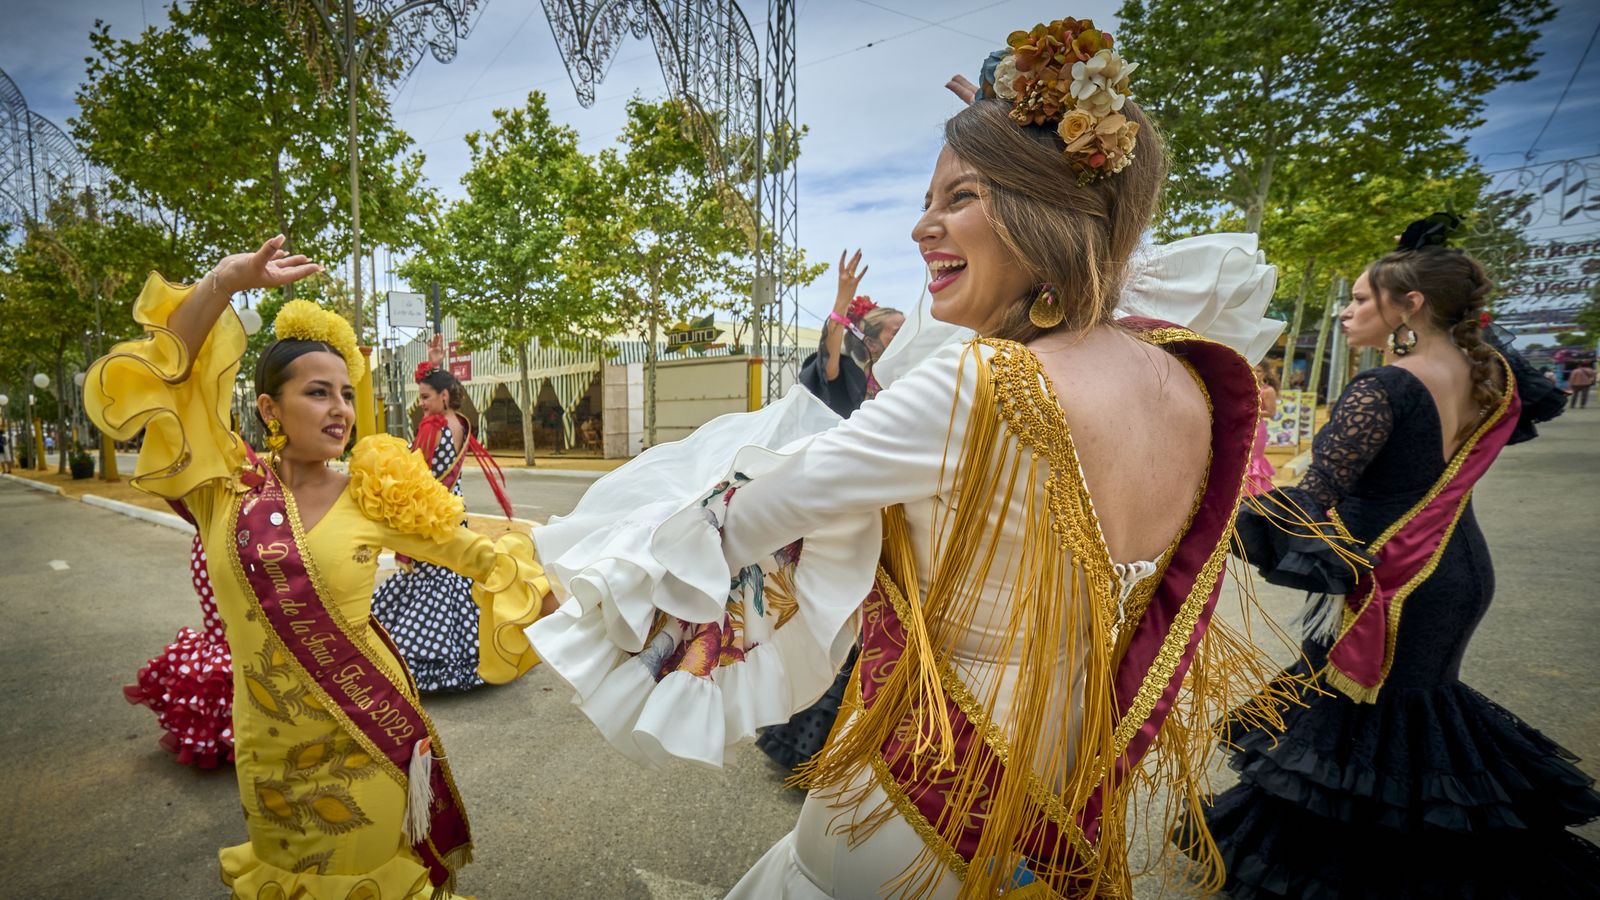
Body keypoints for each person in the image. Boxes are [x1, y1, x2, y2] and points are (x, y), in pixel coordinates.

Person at [530, 17, 1286, 897]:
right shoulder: (1193, 383)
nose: (924, 225)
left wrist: (594, 562)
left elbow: (738, 524)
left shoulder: (978, 383)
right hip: (1071, 771)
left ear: (1045, 208)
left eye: (960, 196)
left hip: (923, 776)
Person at [84, 236, 555, 898]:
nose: (339, 409)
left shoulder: (375, 490)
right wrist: (224, 280)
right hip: (267, 755)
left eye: (344, 393)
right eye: (317, 392)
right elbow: (173, 375)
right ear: (269, 409)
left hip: (365, 742)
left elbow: (477, 552)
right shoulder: (227, 486)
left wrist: (566, 595)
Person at [1196, 214, 1595, 898]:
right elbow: (1545, 398)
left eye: (1360, 298)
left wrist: (1209, 518)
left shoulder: (1383, 388)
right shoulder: (1488, 374)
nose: (1349, 311)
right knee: (1386, 712)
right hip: (1458, 571)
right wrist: (1451, 308)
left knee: (1373, 724)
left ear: (1409, 307)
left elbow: (1313, 496)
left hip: (1398, 580)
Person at [370, 335, 527, 692]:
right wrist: (435, 362)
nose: (421, 404)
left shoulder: (432, 426)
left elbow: (415, 474)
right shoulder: (462, 422)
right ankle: (473, 654)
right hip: (455, 510)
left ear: (443, 395)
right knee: (456, 581)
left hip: (430, 514)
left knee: (428, 583)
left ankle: (423, 659)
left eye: (425, 396)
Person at [123, 527, 235, 768]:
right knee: (227, 631)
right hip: (224, 543)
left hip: (220, 540)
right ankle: (230, 737)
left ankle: (223, 735)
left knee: (226, 631)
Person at [797, 250, 905, 419]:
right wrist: (842, 301)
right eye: (897, 333)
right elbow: (828, 368)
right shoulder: (852, 381)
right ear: (870, 344)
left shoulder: (909, 377)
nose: (905, 337)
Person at [1246, 362, 1280, 495]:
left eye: (1259, 371)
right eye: (1253, 369)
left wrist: (1252, 412)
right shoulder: (1246, 388)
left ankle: (1258, 493)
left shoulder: (1268, 390)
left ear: (1265, 373)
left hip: (1257, 430)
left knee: (1254, 460)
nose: (1255, 373)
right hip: (1242, 429)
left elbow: (1271, 413)